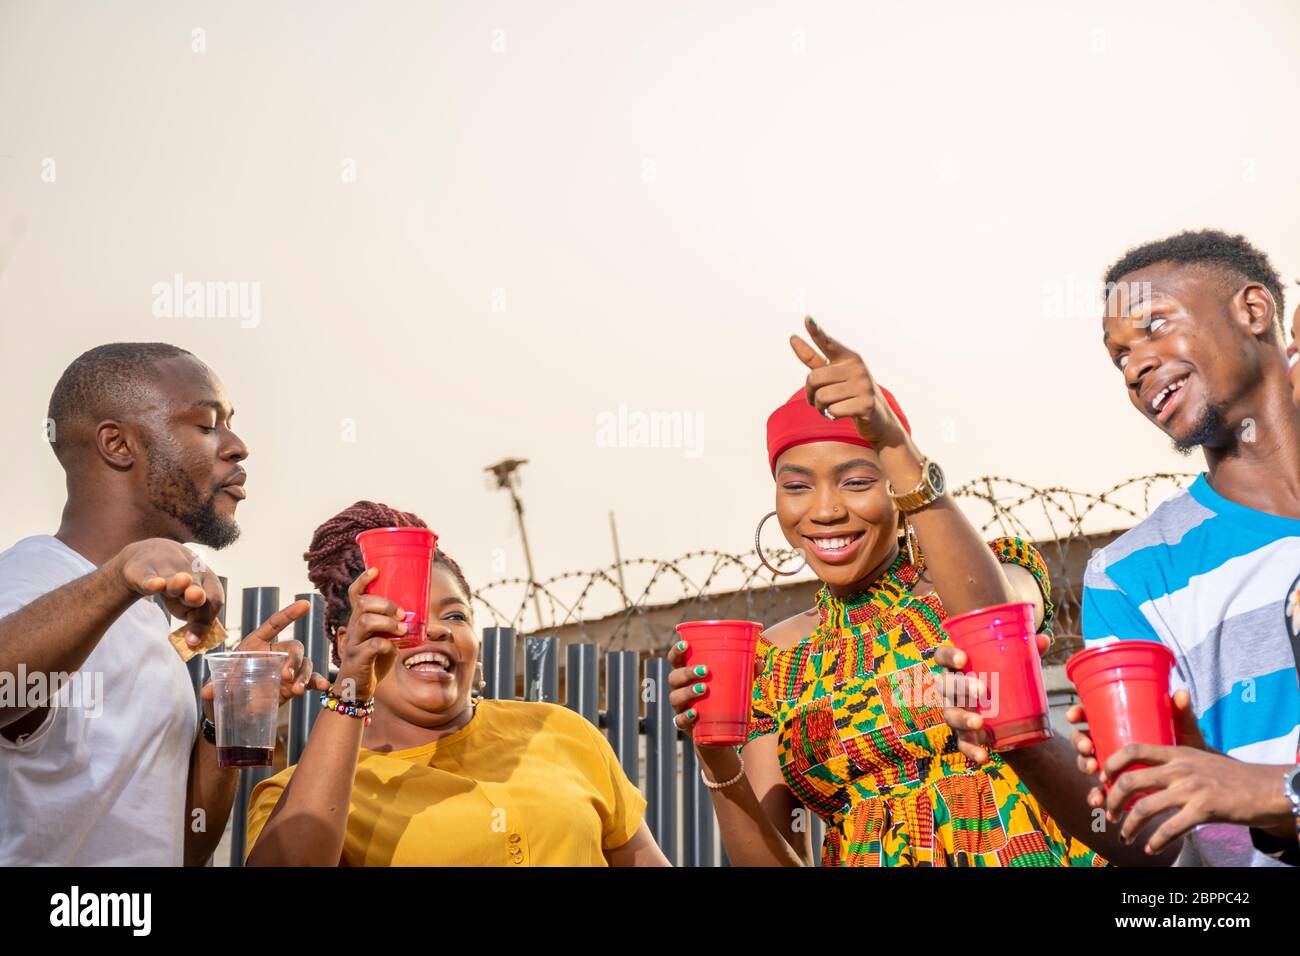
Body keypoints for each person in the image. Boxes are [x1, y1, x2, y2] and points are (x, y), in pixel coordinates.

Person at [665, 318, 1103, 866]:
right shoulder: (774, 662)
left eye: (857, 481)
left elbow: (994, 625)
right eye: (796, 486)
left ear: (897, 491)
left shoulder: (990, 575)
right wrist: (715, 758)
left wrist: (890, 437)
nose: (824, 510)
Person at [937, 230, 1300, 866]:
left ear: (1253, 310)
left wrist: (1269, 793)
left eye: (1156, 326)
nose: (1135, 367)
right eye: (1119, 358)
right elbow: (1149, 843)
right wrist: (1024, 741)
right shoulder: (1131, 575)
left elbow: (1259, 797)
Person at [0, 343, 325, 866]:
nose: (238, 446)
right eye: (207, 424)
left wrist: (227, 719)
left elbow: (184, 848)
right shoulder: (29, 580)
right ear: (118, 444)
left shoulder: (141, 614)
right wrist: (119, 577)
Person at [244, 501, 669, 866]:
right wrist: (353, 689)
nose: (435, 632)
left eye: (454, 616)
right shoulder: (302, 793)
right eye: (404, 618)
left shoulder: (561, 731)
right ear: (348, 641)